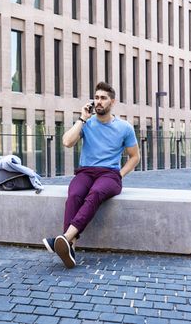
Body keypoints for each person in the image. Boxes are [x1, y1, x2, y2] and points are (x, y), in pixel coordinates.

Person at [43, 81, 140, 268]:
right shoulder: (86, 123)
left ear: (112, 102)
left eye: (103, 98)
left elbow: (135, 157)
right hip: (86, 171)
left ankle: (64, 239)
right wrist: (82, 119)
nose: (99, 102)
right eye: (96, 98)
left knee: (95, 194)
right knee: (75, 194)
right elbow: (66, 142)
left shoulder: (124, 127)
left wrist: (119, 175)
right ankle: (69, 246)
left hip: (110, 174)